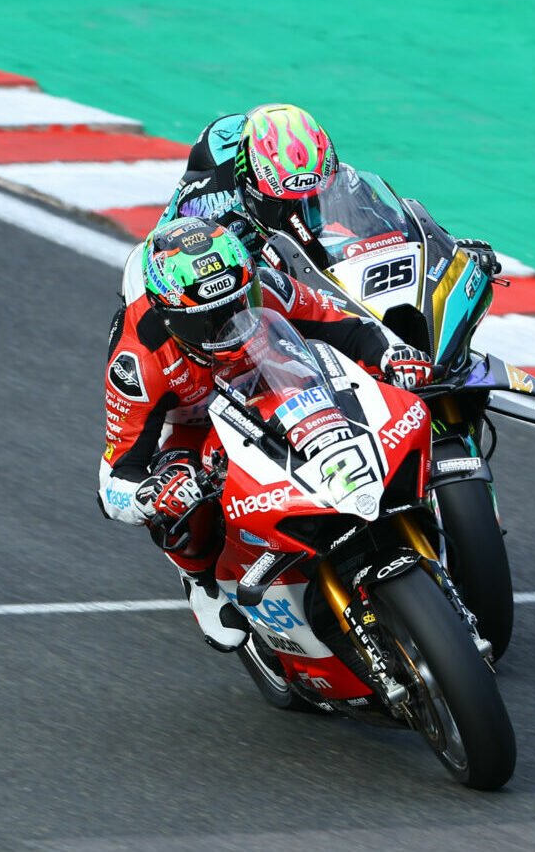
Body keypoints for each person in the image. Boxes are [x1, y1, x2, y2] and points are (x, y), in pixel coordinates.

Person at [97, 216, 434, 650]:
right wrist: (150, 492)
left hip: (269, 378)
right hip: (191, 427)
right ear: (171, 321)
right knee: (179, 502)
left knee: (380, 395)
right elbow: (113, 482)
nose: (232, 323)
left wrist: (392, 353)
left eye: (241, 304)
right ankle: (201, 579)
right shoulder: (136, 364)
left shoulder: (266, 286)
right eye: (211, 321)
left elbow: (345, 324)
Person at [157, 103, 499, 275]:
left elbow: (394, 226)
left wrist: (449, 250)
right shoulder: (214, 212)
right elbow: (164, 272)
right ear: (251, 191)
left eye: (312, 200)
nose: (299, 213)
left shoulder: (339, 180)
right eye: (285, 205)